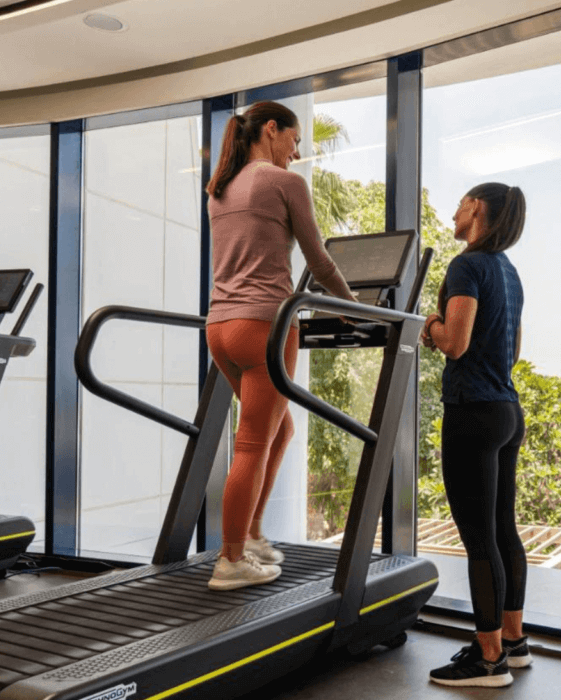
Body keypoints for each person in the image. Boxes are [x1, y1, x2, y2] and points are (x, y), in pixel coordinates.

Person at [204, 101, 358, 591]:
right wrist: (356, 306)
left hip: (220, 329)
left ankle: (249, 533)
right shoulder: (283, 183)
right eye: (294, 142)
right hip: (266, 325)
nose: (296, 154)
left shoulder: (220, 189)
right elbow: (320, 261)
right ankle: (230, 559)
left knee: (281, 429)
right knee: (252, 442)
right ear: (271, 130)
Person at [421, 183, 529, 688]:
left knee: (478, 538)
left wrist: (431, 325)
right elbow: (512, 351)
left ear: (478, 209)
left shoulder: (467, 265)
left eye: (462, 201)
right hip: (507, 410)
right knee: (502, 529)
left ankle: (488, 660)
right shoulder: (509, 273)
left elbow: (456, 344)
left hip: (473, 412)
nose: (455, 209)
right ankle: (513, 640)